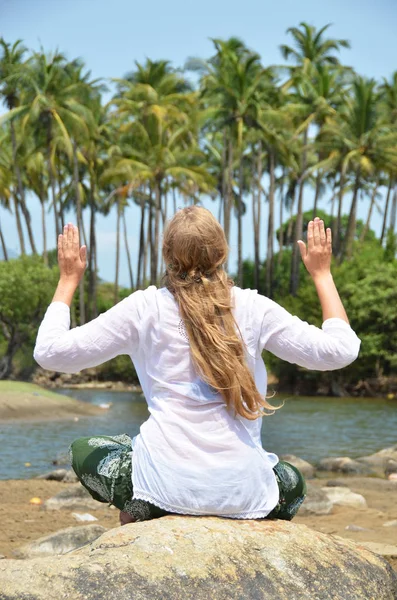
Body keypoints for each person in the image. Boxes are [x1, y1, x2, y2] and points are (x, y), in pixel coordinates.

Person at [34, 207, 360, 525]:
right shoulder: (254, 308)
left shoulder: (143, 308)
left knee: (85, 449)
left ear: (166, 254)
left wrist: (67, 280)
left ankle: (145, 506)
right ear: (223, 253)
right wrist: (322, 274)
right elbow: (341, 351)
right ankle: (242, 509)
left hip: (163, 486)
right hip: (242, 493)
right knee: (292, 480)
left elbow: (50, 353)